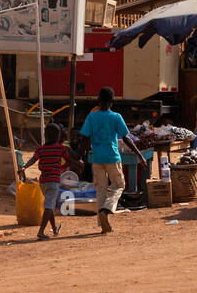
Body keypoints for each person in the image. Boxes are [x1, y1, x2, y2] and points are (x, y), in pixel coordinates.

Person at [78, 87, 143, 235]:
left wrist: (79, 157)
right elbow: (126, 138)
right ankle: (107, 209)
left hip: (97, 158)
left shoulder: (91, 117)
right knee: (119, 185)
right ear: (112, 102)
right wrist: (139, 155)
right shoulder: (116, 117)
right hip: (112, 157)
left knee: (100, 189)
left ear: (98, 101)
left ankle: (102, 224)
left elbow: (85, 138)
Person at [19, 123, 81, 240]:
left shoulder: (40, 149)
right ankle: (41, 231)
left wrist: (24, 167)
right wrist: (79, 164)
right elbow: (70, 160)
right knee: (49, 206)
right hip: (53, 181)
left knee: (49, 204)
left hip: (43, 182)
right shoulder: (60, 148)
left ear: (45, 135)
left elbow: (33, 159)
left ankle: (54, 228)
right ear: (58, 136)